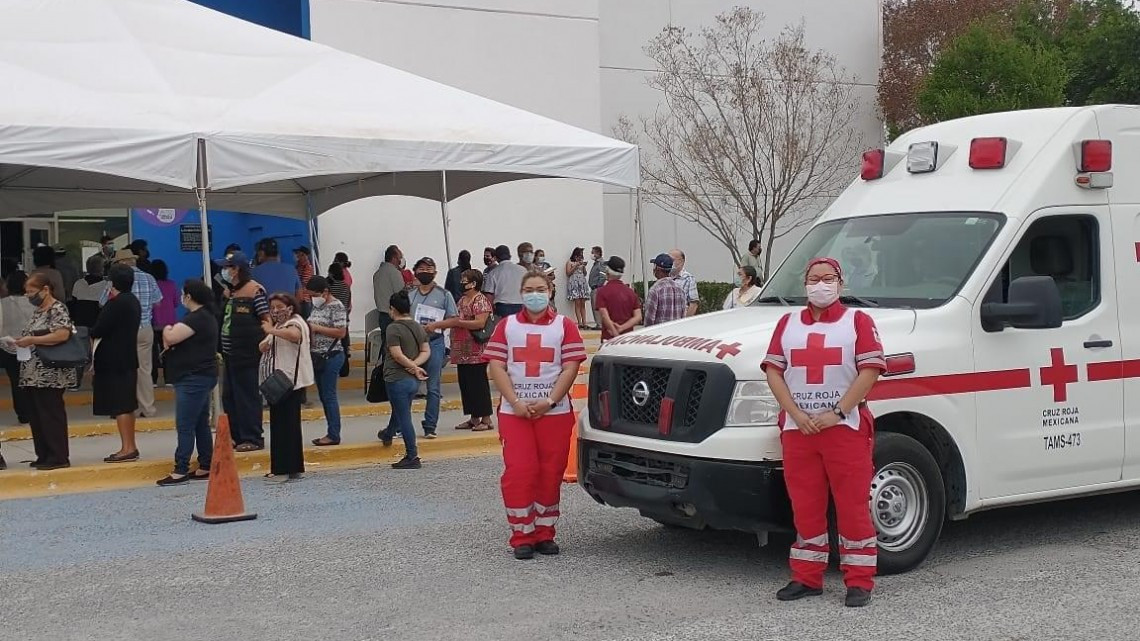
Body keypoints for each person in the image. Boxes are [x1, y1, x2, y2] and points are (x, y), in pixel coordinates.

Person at [762, 257, 885, 608]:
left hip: (843, 428)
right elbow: (773, 370)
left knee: (852, 505)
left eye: (828, 278)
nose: (821, 285)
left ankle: (859, 581)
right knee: (805, 506)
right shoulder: (787, 323)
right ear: (805, 285)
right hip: (798, 430)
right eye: (814, 279)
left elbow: (871, 369)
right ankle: (806, 577)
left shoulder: (857, 321)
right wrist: (795, 413)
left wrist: (837, 411)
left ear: (840, 283)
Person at [485, 272, 588, 559]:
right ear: (520, 292)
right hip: (514, 412)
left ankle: (544, 532)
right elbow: (496, 365)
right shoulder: (506, 326)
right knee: (520, 470)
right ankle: (522, 535)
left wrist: (550, 400)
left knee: (550, 472)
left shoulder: (564, 325)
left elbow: (570, 367)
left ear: (550, 291)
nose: (535, 294)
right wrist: (515, 401)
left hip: (554, 413)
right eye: (529, 289)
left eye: (540, 289)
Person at [156, 279, 217, 486]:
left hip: (192, 378)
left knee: (185, 424)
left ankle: (180, 468)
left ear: (189, 296)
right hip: (201, 375)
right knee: (200, 422)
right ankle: (206, 464)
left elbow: (172, 337)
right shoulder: (205, 317)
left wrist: (166, 329)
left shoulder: (196, 318)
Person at [13, 273, 76, 470]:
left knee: (51, 413)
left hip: (50, 372)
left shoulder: (57, 308)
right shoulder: (39, 311)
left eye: (32, 292)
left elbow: (62, 334)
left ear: (46, 290)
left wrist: (33, 340)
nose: (29, 296)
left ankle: (58, 455)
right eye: (27, 293)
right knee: (37, 415)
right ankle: (44, 454)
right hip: (33, 372)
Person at [217, 252, 270, 451]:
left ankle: (252, 437)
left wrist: (264, 341)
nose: (224, 271)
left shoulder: (254, 291)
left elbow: (265, 319)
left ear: (236, 269)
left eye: (227, 267)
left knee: (247, 396)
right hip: (230, 355)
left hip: (247, 353)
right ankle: (237, 435)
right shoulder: (230, 292)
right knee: (230, 397)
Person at [259, 293, 314, 480]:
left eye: (279, 307)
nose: (275, 311)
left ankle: (285, 468)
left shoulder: (295, 322)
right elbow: (266, 344)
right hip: (280, 382)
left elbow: (294, 336)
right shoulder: (279, 325)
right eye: (272, 308)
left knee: (286, 427)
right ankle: (287, 467)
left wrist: (271, 330)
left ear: (290, 307)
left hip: (289, 382)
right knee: (281, 425)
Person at [90, 265, 142, 463]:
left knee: (120, 405)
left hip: (114, 360)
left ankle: (127, 448)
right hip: (128, 357)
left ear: (112, 283)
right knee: (127, 404)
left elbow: (99, 329)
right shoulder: (132, 301)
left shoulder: (116, 303)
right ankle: (131, 445)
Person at [433, 268, 494, 431]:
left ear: (474, 283)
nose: (461, 283)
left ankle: (486, 418)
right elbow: (454, 319)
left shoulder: (480, 300)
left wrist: (460, 323)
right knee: (466, 384)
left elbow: (480, 323)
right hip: (461, 350)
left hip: (476, 350)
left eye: (464, 280)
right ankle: (474, 418)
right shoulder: (461, 300)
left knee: (478, 383)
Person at [405, 257, 457, 439]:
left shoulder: (444, 295)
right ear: (415, 271)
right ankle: (401, 425)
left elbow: (454, 318)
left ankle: (430, 426)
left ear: (435, 272)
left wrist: (437, 325)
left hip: (435, 342)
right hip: (413, 344)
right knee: (408, 386)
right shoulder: (410, 295)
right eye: (421, 268)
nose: (425, 271)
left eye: (429, 268)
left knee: (433, 387)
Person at [108, 249, 162, 418]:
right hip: (145, 328)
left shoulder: (115, 281)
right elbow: (157, 302)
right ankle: (147, 407)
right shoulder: (149, 278)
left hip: (122, 330)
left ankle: (125, 406)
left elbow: (104, 303)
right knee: (144, 369)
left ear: (121, 263)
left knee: (122, 368)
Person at [381, 290, 430, 469]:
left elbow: (397, 355)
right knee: (400, 409)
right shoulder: (418, 326)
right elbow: (426, 351)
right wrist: (415, 367)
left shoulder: (393, 328)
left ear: (392, 309)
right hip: (412, 380)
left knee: (404, 416)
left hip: (396, 377)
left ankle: (412, 455)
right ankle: (387, 433)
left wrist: (411, 366)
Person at [306, 276, 349, 446]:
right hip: (317, 356)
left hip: (331, 356)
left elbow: (341, 332)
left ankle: (333, 434)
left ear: (324, 292)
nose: (312, 298)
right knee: (323, 396)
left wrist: (316, 328)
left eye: (314, 294)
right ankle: (331, 431)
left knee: (329, 395)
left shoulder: (336, 306)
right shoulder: (317, 306)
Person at [0, 272, 34, 428]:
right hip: (32, 346)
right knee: (32, 380)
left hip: (8, 347)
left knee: (16, 381)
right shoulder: (35, 303)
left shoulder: (2, 303)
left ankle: (23, 413)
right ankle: (34, 410)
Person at [594, 256, 642, 341]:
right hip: (627, 338)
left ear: (607, 271)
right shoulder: (631, 292)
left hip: (608, 339)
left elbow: (604, 316)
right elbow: (638, 317)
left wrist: (615, 332)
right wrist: (622, 328)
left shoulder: (602, 291)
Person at [149, 259, 179, 387]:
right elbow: (176, 303)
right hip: (170, 323)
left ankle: (153, 379)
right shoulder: (171, 284)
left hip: (153, 322)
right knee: (169, 351)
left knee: (153, 352)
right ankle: (170, 379)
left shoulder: (151, 285)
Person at [373, 244, 405, 353]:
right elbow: (401, 294)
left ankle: (385, 368)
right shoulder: (394, 273)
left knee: (386, 346)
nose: (401, 260)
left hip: (382, 315)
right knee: (395, 348)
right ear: (394, 258)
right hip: (393, 316)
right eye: (400, 257)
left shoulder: (377, 273)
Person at [644, 254, 686, 327]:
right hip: (676, 334)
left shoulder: (655, 289)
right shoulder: (680, 289)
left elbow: (649, 319)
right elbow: (683, 316)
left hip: (660, 334)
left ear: (657, 268)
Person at [484, 245, 526, 318]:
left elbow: (489, 296)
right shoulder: (523, 270)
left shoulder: (493, 273)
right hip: (522, 306)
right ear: (510, 256)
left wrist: (491, 313)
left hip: (502, 309)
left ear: (496, 258)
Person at [327, 262, 353, 374]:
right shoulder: (346, 287)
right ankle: (344, 370)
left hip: (330, 321)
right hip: (343, 320)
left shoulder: (328, 287)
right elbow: (348, 304)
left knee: (330, 347)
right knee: (343, 346)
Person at [564, 247, 591, 328]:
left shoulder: (581, 262)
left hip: (582, 282)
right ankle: (579, 322)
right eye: (579, 255)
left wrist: (583, 266)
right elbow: (568, 273)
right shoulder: (569, 262)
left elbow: (585, 274)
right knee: (577, 303)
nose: (580, 257)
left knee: (583, 303)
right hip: (574, 283)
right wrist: (575, 266)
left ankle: (584, 322)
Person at [668, 249, 700, 317]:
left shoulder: (688, 278)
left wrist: (685, 321)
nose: (669, 262)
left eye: (672, 259)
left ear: (682, 261)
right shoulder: (665, 276)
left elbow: (693, 304)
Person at [293, 246, 316, 317]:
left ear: (304, 255)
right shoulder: (298, 267)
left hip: (304, 300)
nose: (296, 256)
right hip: (298, 299)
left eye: (298, 254)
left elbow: (304, 283)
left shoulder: (308, 267)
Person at [587, 246, 606, 330]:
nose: (592, 254)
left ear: (598, 253)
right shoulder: (596, 263)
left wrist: (598, 285)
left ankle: (600, 324)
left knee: (597, 307)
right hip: (594, 288)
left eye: (593, 252)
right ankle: (598, 323)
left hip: (597, 288)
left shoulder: (601, 263)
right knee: (594, 306)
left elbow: (602, 275)